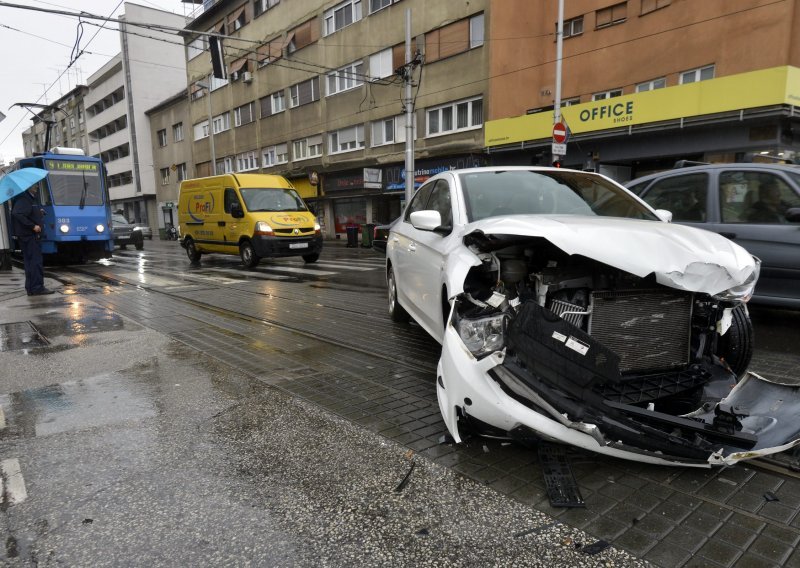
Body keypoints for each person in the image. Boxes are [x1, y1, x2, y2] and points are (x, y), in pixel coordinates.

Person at [11, 182, 54, 296]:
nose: (37, 187)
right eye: (35, 185)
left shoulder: (28, 198)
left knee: (31, 262)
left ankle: (32, 288)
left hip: (28, 236)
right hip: (29, 236)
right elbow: (17, 213)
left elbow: (26, 212)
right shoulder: (24, 198)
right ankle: (37, 288)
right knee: (35, 262)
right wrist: (32, 226)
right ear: (29, 187)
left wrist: (37, 212)